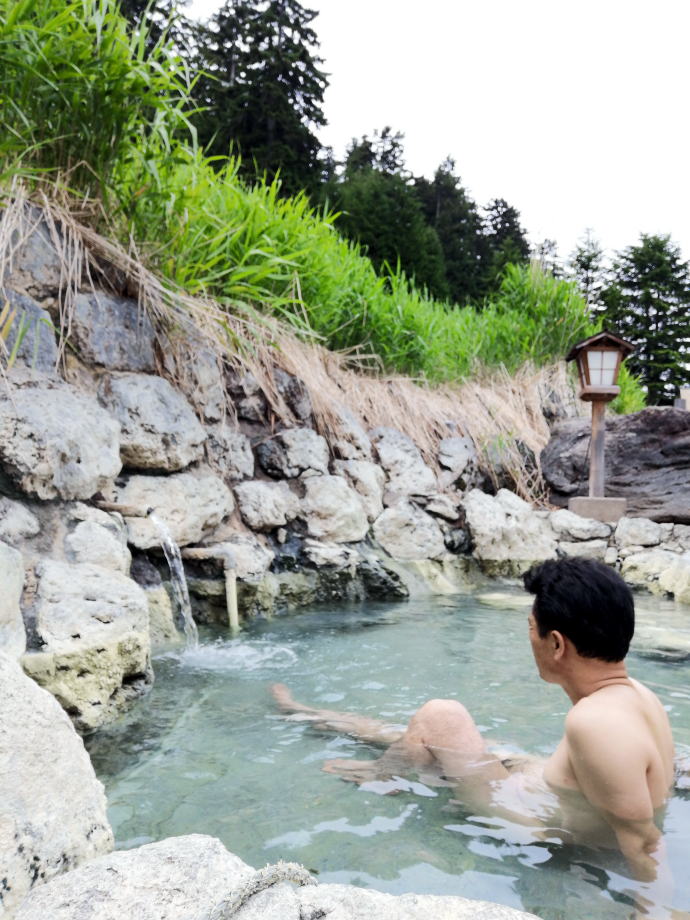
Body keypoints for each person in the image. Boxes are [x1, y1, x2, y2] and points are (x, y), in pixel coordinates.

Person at [271, 557, 684, 918]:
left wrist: (656, 911)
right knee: (428, 735)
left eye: (530, 627)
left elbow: (643, 841)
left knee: (440, 717)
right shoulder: (637, 696)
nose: (530, 637)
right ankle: (318, 718)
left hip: (540, 826)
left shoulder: (594, 724)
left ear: (556, 643)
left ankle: (383, 773)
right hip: (550, 790)